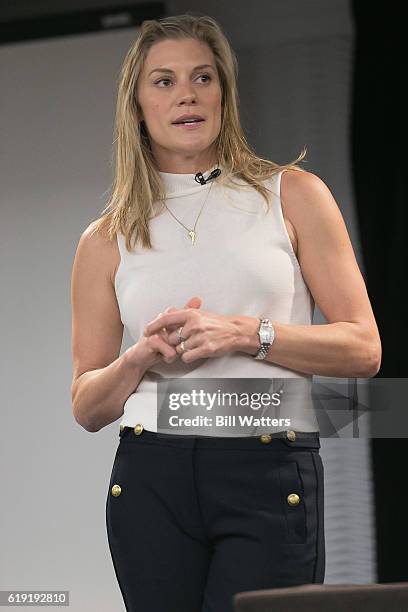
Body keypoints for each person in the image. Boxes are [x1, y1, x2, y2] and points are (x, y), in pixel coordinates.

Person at [70, 13, 382, 612]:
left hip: (267, 465)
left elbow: (364, 349)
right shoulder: (105, 239)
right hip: (151, 474)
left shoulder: (291, 195)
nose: (187, 93)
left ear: (223, 94)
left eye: (203, 77)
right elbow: (87, 404)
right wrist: (137, 357)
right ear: (136, 106)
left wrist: (245, 332)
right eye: (164, 81)